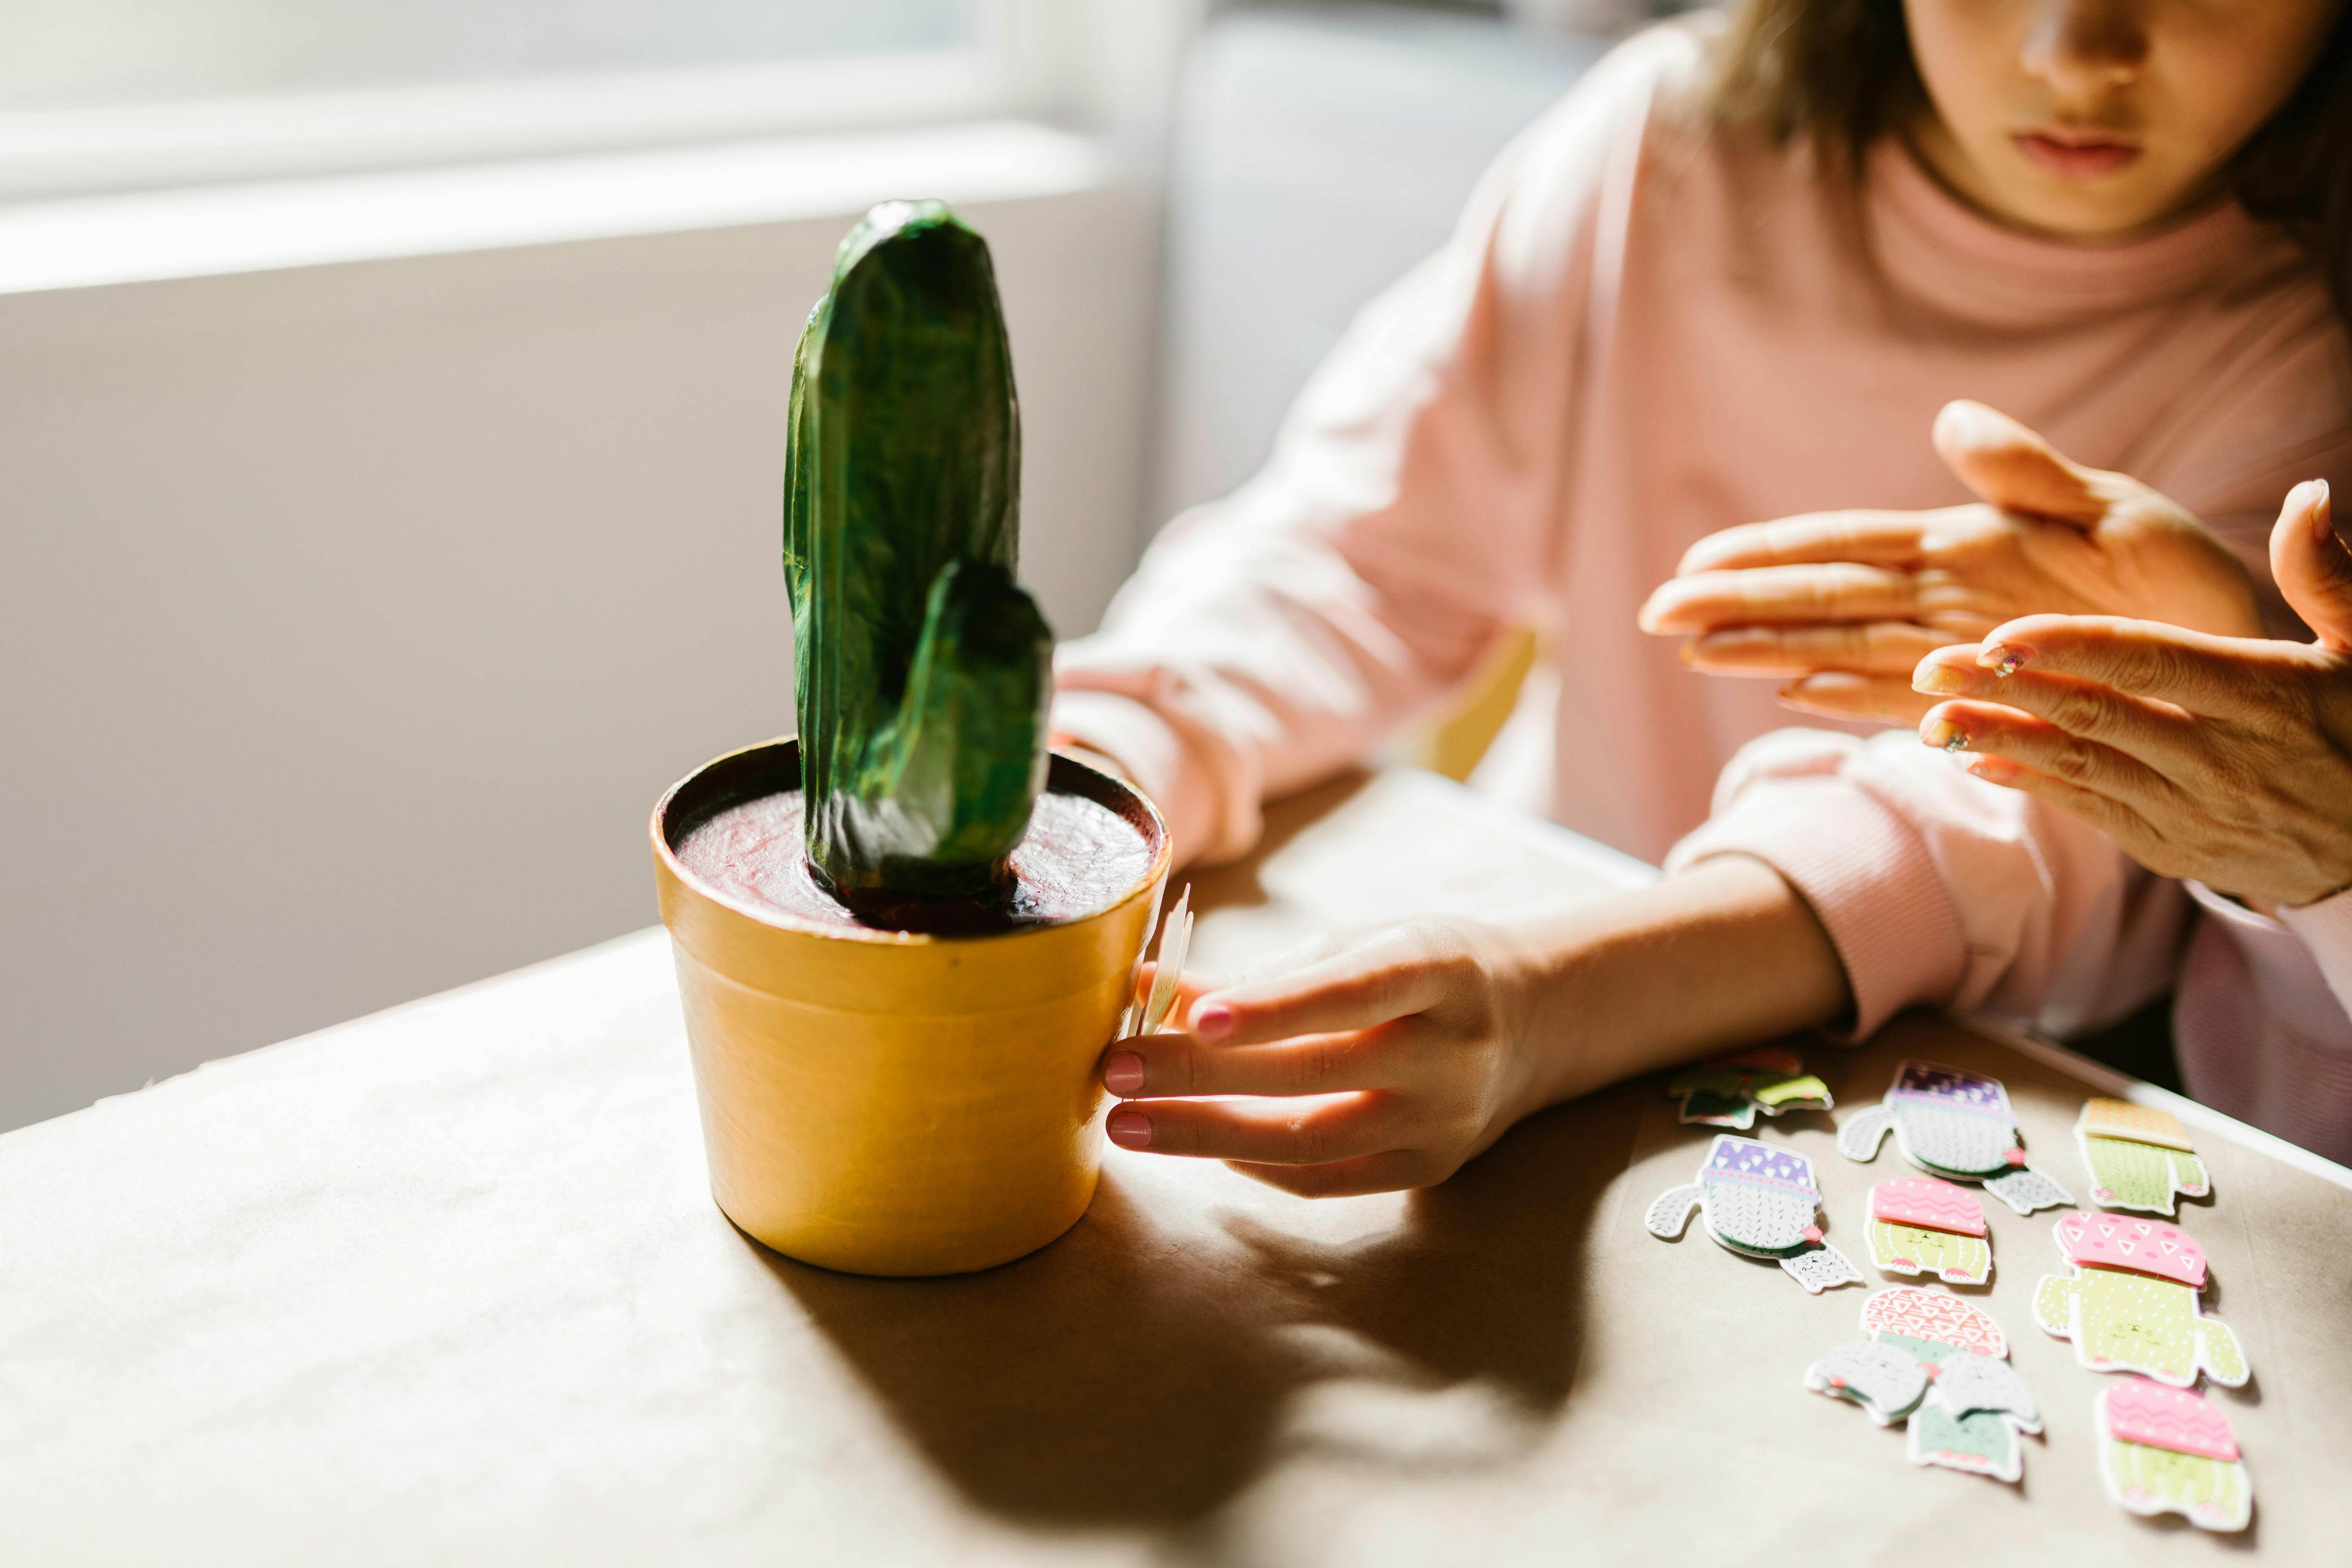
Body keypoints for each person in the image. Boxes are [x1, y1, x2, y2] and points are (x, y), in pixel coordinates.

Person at [1052, 0, 2352, 1189]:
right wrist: (1103, 758)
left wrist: (1563, 1000)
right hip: (1506, 979)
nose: (2077, 53)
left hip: (1920, 1126)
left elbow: (2033, 848)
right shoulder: (1664, 141)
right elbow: (1352, 544)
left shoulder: (2311, 342)